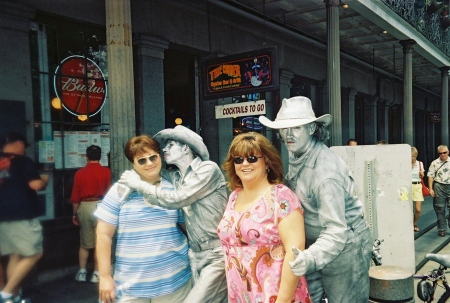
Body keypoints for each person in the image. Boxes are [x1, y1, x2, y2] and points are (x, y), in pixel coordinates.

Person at [259, 96, 373, 303]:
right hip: (313, 245)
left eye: (296, 128)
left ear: (312, 129)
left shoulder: (325, 173)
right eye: (284, 129)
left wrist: (310, 259)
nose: (288, 135)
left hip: (345, 246)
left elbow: (336, 230)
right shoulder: (296, 153)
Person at [119, 125, 228, 303]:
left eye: (170, 145)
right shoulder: (176, 177)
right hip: (194, 255)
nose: (164, 149)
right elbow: (149, 173)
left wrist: (138, 185)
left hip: (217, 254)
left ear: (186, 147)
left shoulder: (208, 169)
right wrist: (130, 180)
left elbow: (177, 199)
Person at [95, 135, 192, 303]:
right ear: (133, 163)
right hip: (131, 285)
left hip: (175, 281)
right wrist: (104, 276)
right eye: (142, 160)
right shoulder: (119, 191)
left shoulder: (174, 189)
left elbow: (188, 227)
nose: (149, 163)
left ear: (160, 156)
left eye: (153, 157)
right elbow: (103, 235)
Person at [218, 132, 310, 303]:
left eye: (252, 158)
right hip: (240, 296)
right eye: (238, 160)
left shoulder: (281, 197)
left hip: (276, 297)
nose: (245, 164)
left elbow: (294, 253)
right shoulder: (234, 197)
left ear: (266, 161)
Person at [0, 132, 49, 303]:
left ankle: (12, 297)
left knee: (15, 255)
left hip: (3, 217)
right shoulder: (22, 161)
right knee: (35, 253)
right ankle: (5, 293)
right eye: (24, 145)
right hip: (22, 215)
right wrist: (45, 180)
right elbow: (35, 185)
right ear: (18, 143)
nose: (24, 149)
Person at [71, 145, 111, 283]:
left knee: (84, 244)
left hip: (85, 206)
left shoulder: (80, 173)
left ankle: (82, 272)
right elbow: (108, 193)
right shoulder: (106, 172)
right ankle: (96, 273)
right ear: (100, 157)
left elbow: (75, 196)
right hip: (101, 205)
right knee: (100, 242)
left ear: (86, 157)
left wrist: (74, 214)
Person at [427, 145, 450, 237]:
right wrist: (431, 188)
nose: (442, 155)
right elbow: (430, 175)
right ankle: (442, 229)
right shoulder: (434, 163)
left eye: (444, 152)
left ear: (448, 152)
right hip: (439, 186)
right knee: (439, 208)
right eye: (440, 153)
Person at [411, 146, 425, 233]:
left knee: (418, 209)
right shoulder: (403, 163)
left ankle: (414, 223)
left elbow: (422, 174)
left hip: (417, 185)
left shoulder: (419, 163)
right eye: (411, 156)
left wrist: (422, 174)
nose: (412, 158)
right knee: (407, 208)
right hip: (407, 187)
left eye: (414, 156)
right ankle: (409, 225)